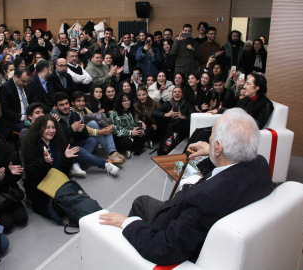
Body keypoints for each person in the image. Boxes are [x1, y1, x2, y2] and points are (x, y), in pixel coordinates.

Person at [99, 108, 274, 265]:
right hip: (207, 214)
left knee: (139, 205)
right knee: (142, 202)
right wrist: (211, 152)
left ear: (219, 147)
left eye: (212, 136)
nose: (209, 139)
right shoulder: (259, 164)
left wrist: (127, 223)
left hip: (168, 230)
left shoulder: (206, 198)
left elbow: (166, 248)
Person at [186, 74, 273, 149]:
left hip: (237, 134)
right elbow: (233, 111)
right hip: (229, 127)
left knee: (202, 135)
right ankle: (183, 158)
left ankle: (190, 160)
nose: (244, 86)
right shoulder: (246, 99)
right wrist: (218, 111)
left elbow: (258, 126)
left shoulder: (265, 104)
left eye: (248, 84)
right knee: (198, 131)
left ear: (257, 88)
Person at [51, 92, 119, 177]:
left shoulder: (74, 115)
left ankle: (76, 163)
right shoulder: (52, 120)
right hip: (63, 149)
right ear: (55, 106)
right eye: (61, 105)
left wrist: (81, 130)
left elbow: (85, 135)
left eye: (66, 103)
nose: (65, 107)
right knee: (78, 149)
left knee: (92, 141)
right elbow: (59, 142)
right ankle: (105, 165)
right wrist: (72, 130)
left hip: (75, 144)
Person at [23, 115, 78, 218]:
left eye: (53, 127)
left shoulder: (58, 142)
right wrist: (43, 162)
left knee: (76, 198)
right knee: (60, 211)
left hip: (57, 181)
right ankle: (32, 202)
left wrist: (67, 158)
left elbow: (64, 170)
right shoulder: (31, 146)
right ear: (39, 129)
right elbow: (31, 173)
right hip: (40, 186)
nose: (51, 130)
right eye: (47, 127)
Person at [71, 91, 125, 164]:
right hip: (79, 136)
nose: (81, 103)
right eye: (78, 101)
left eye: (83, 101)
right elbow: (82, 128)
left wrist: (110, 127)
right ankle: (111, 152)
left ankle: (113, 152)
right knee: (93, 123)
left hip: (88, 134)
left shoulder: (85, 109)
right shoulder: (71, 113)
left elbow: (97, 118)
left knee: (105, 125)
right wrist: (99, 132)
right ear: (72, 103)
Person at [0, 66, 34, 139]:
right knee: (31, 130)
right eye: (23, 81)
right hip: (14, 120)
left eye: (27, 81)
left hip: (29, 116)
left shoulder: (28, 85)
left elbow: (33, 101)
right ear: (15, 77)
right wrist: (22, 117)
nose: (26, 84)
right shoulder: (5, 88)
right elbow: (4, 110)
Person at [110, 92, 147, 158]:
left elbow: (135, 124)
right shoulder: (114, 113)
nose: (127, 102)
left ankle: (131, 150)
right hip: (120, 138)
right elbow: (116, 131)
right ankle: (135, 149)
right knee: (127, 141)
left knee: (143, 135)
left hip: (131, 134)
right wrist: (131, 132)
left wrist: (140, 130)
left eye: (128, 100)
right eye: (124, 101)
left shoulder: (130, 111)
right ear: (120, 102)